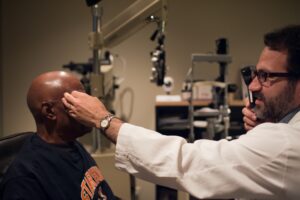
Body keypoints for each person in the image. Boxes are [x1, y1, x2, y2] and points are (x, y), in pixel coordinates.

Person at [62, 24, 300, 199]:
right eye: (255, 74)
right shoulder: (284, 135)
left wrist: (104, 120)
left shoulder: (286, 144)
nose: (253, 86)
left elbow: (190, 163)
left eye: (266, 76)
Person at [0, 71, 116, 200]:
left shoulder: (72, 144)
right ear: (49, 111)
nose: (89, 106)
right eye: (78, 101)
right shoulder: (24, 180)